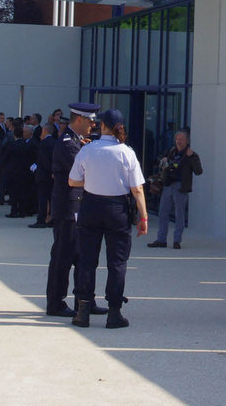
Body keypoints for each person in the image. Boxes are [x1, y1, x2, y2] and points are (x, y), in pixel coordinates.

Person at [69, 108, 148, 329]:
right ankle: (114, 312)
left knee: (87, 260)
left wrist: (93, 182)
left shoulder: (88, 149)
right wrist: (143, 217)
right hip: (117, 209)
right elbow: (137, 189)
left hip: (91, 205)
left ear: (102, 126)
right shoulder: (126, 152)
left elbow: (73, 181)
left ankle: (83, 310)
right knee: (117, 262)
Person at [45, 102, 107, 318]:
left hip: (80, 207)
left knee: (83, 257)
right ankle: (56, 302)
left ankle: (84, 301)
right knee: (63, 256)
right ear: (79, 120)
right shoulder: (67, 144)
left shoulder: (78, 142)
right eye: (90, 121)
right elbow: (83, 172)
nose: (93, 125)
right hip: (68, 209)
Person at [148, 128, 202, 249]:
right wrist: (163, 161)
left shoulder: (191, 154)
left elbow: (199, 171)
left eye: (182, 139)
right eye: (177, 139)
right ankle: (161, 239)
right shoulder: (171, 151)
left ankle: (177, 240)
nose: (179, 141)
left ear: (187, 141)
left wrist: (192, 156)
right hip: (168, 185)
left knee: (179, 215)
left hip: (180, 186)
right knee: (163, 213)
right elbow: (158, 161)